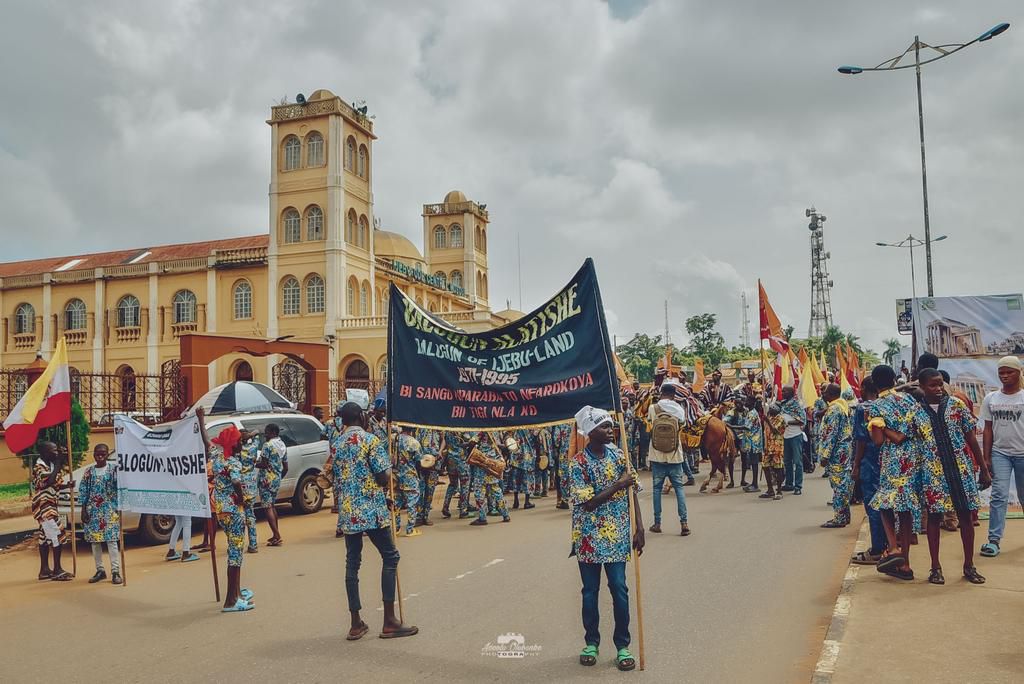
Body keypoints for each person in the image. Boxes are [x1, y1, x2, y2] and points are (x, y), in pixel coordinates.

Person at [332, 402, 417, 640]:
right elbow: (382, 478)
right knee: (391, 557)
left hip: (349, 511)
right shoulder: (370, 441)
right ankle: (389, 620)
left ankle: (355, 622)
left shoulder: (337, 444)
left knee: (352, 563)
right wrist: (389, 471)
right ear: (360, 416)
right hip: (371, 510)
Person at [568, 406, 644, 672]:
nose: (610, 430)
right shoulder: (577, 463)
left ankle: (623, 645)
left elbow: (632, 488)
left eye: (611, 425)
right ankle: (591, 642)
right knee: (590, 592)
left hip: (618, 534)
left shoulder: (619, 456)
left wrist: (640, 527)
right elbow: (587, 502)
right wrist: (618, 485)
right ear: (590, 432)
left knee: (619, 588)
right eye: (604, 427)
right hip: (588, 536)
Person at [913, 368, 991, 584]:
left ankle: (969, 565)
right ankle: (935, 567)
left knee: (965, 516)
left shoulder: (956, 406)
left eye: (940, 384)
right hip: (933, 473)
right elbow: (910, 442)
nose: (938, 389)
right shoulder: (916, 413)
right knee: (934, 517)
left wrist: (983, 467)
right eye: (932, 385)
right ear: (922, 386)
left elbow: (971, 437)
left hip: (961, 470)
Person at [868, 365, 923, 581]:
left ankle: (893, 548)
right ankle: (905, 562)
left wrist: (883, 429)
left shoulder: (876, 407)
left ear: (874, 383)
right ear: (894, 379)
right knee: (905, 507)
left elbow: (879, 441)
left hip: (892, 458)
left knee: (885, 504)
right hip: (912, 457)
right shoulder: (909, 400)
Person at [198, 409, 253, 612]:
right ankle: (231, 600)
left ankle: (237, 594)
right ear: (233, 444)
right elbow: (237, 482)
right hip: (234, 512)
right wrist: (241, 498)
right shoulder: (232, 461)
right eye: (239, 441)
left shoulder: (218, 457)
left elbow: (206, 443)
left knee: (234, 551)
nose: (241, 443)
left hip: (221, 511)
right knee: (235, 554)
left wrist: (200, 419)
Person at [980, 356, 1024, 559]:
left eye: (1009, 372)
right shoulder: (991, 399)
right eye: (1001, 373)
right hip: (1000, 453)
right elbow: (988, 430)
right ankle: (993, 540)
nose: (1005, 376)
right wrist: (986, 458)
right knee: (998, 496)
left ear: (1019, 372)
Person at [647, 384, 692, 536]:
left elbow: (649, 424)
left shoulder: (653, 408)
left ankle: (657, 523)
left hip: (656, 455)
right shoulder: (679, 410)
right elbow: (683, 426)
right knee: (679, 489)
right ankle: (684, 523)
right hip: (675, 456)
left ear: (661, 393)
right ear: (674, 395)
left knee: (657, 490)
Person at [851, 378, 887, 564]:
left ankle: (877, 548)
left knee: (872, 504)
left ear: (864, 388)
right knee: (886, 503)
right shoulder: (886, 405)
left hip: (869, 460)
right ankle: (888, 544)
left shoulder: (862, 409)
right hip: (887, 459)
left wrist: (856, 464)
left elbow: (861, 440)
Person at [79, 444, 123, 584]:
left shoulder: (114, 470)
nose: (100, 456)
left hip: (109, 511)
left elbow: (121, 485)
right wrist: (83, 509)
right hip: (93, 512)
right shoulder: (88, 472)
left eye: (103, 454)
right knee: (95, 541)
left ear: (107, 454)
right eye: (98, 454)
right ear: (94, 455)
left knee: (112, 541)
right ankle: (100, 570)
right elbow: (84, 491)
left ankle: (115, 571)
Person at [31, 441, 73, 581]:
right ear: (44, 452)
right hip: (44, 507)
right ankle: (57, 570)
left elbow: (55, 483)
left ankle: (44, 570)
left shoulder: (51, 465)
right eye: (53, 450)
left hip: (51, 505)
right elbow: (48, 482)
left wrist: (67, 485)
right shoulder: (39, 466)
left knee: (44, 538)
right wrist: (60, 461)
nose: (56, 452)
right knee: (57, 534)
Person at [817, 384, 854, 528]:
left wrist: (825, 455)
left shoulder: (833, 410)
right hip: (844, 451)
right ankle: (845, 516)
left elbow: (830, 434)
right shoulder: (844, 405)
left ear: (831, 394)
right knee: (844, 484)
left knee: (838, 485)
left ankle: (839, 518)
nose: (823, 394)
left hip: (836, 453)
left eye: (825, 392)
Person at [469, 433, 510, 525]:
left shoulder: (479, 432)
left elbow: (471, 443)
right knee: (497, 491)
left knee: (479, 493)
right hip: (493, 465)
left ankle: (482, 517)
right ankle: (505, 514)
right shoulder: (493, 432)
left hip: (481, 467)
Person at [258, 423, 287, 546]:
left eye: (267, 432)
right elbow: (286, 467)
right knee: (272, 506)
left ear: (273, 432)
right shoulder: (282, 445)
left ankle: (277, 535)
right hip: (276, 479)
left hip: (266, 479)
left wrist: (252, 463)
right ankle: (275, 533)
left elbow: (264, 464)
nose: (265, 434)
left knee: (267, 507)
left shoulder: (267, 445)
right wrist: (278, 477)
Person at [728, 396, 763, 493]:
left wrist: (732, 426)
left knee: (754, 463)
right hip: (750, 440)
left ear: (751, 403)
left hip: (754, 441)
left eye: (746, 400)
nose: (744, 402)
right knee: (752, 462)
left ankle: (755, 485)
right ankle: (753, 483)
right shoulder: (750, 412)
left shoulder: (752, 413)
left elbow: (747, 427)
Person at [394, 426, 422, 537]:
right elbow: (419, 461)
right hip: (410, 476)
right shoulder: (413, 442)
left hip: (396, 476)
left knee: (396, 503)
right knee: (412, 503)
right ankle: (410, 529)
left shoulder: (394, 439)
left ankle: (396, 527)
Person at [778, 386, 806, 495]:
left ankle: (798, 486)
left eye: (784, 391)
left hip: (795, 435)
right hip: (785, 435)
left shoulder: (796, 405)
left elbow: (802, 421)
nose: (782, 392)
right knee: (787, 461)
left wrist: (788, 423)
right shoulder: (783, 404)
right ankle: (789, 483)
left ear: (790, 393)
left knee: (797, 462)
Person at [415, 428, 444, 526]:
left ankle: (426, 516)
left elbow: (443, 440)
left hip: (435, 463)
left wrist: (440, 451)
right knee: (421, 490)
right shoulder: (420, 428)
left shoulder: (438, 428)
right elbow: (416, 443)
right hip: (422, 463)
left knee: (430, 491)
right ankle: (419, 516)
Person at [441, 431, 473, 519]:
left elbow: (445, 441)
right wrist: (470, 443)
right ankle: (463, 510)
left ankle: (445, 507)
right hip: (461, 460)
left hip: (450, 460)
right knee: (465, 485)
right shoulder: (461, 429)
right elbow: (463, 444)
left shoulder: (447, 429)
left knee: (452, 484)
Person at [239, 430, 261, 554]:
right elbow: (257, 433)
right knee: (250, 515)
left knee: (240, 516)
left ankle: (239, 544)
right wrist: (251, 435)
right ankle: (253, 544)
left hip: (240, 485)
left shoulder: (237, 452)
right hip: (251, 484)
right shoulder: (253, 447)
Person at [760, 406, 787, 500]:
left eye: (772, 408)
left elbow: (775, 430)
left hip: (777, 447)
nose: (770, 409)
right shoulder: (770, 418)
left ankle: (779, 490)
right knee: (765, 466)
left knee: (778, 468)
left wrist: (767, 421)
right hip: (768, 446)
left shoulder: (781, 419)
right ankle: (770, 489)